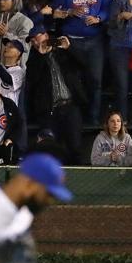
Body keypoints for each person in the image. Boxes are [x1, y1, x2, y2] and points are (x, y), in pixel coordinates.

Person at [53, 0, 111, 123]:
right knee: (72, 81)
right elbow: (54, 12)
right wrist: (68, 12)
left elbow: (108, 7)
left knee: (95, 80)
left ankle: (93, 118)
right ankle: (77, 118)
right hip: (71, 40)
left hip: (94, 40)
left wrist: (99, 18)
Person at [26, 27, 86, 164]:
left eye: (37, 37)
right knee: (52, 150)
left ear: (46, 35)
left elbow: (84, 64)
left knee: (75, 147)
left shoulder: (63, 52)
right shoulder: (34, 58)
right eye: (32, 40)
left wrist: (69, 48)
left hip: (70, 106)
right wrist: (41, 56)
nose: (35, 41)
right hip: (50, 111)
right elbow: (31, 80)